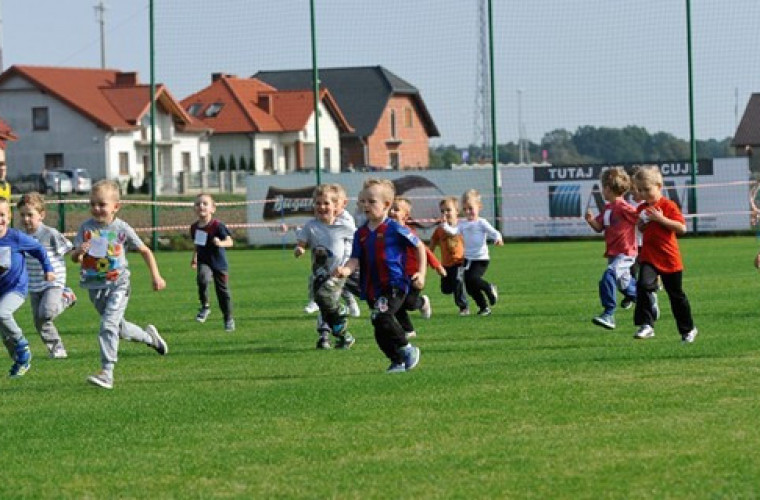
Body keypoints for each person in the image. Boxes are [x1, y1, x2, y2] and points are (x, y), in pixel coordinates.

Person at [71, 180, 168, 390]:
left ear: (116, 206)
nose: (96, 209)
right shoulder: (85, 228)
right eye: (93, 204)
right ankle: (151, 338)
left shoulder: (122, 228)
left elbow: (145, 250)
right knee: (119, 328)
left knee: (108, 326)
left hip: (118, 285)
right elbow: (74, 258)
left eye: (102, 204)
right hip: (94, 287)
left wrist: (156, 276)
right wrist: (79, 252)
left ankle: (107, 372)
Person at [335, 178, 425, 373]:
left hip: (394, 284)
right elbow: (355, 259)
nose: (365, 205)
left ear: (386, 205)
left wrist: (421, 273)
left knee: (382, 317)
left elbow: (419, 246)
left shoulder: (394, 228)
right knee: (378, 326)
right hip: (372, 288)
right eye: (363, 201)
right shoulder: (360, 234)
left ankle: (407, 348)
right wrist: (345, 270)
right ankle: (397, 361)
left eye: (371, 201)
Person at [631, 166, 697, 343]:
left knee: (676, 295)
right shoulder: (642, 208)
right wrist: (641, 224)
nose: (643, 193)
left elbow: (682, 228)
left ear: (659, 186)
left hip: (669, 257)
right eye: (640, 190)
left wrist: (661, 219)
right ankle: (646, 324)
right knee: (643, 285)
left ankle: (688, 329)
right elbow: (642, 229)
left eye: (647, 189)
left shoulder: (668, 205)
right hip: (650, 256)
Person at [294, 184, 356, 350]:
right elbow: (302, 241)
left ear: (336, 206)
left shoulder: (344, 226)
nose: (322, 207)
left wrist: (347, 266)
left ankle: (326, 332)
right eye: (318, 203)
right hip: (318, 274)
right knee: (324, 305)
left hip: (337, 274)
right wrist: (300, 248)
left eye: (326, 203)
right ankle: (343, 336)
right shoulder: (310, 226)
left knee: (323, 298)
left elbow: (359, 240)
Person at [17, 192, 77, 358]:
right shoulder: (19, 237)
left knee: (46, 312)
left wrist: (81, 253)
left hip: (53, 281)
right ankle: (57, 349)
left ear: (41, 215)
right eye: (22, 215)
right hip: (34, 284)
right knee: (39, 321)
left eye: (30, 215)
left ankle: (66, 297)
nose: (26, 219)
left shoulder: (50, 234)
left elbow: (69, 249)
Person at [0, 197, 55, 377]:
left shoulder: (15, 238)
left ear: (8, 217)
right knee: (4, 332)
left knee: (2, 313)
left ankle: (23, 346)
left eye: (2, 215)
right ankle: (21, 361)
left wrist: (48, 268)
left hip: (16, 288)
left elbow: (39, 249)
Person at [584, 167, 638, 330]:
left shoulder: (623, 207)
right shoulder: (608, 208)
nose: (602, 191)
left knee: (608, 276)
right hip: (613, 253)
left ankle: (609, 314)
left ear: (607, 188)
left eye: (603, 187)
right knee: (625, 286)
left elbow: (638, 217)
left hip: (625, 252)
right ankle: (647, 299)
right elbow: (599, 227)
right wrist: (591, 220)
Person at [389, 195, 445, 338]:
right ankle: (408, 330)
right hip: (397, 275)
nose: (392, 212)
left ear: (405, 215)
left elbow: (424, 250)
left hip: (413, 274)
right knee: (395, 304)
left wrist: (437, 265)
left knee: (409, 303)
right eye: (390, 209)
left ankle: (422, 302)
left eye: (396, 210)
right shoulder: (386, 231)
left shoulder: (408, 232)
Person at [441, 189, 503, 316]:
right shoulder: (463, 224)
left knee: (473, 279)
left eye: (471, 208)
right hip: (468, 259)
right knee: (469, 287)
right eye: (465, 209)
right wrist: (445, 225)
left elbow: (494, 232)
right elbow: (454, 232)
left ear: (479, 207)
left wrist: (498, 238)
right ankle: (484, 307)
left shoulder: (482, 222)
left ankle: (489, 287)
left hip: (481, 259)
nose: (468, 212)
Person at [302, 185, 361, 318]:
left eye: (329, 203)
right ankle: (315, 302)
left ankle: (356, 303)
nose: (323, 207)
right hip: (331, 262)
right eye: (318, 203)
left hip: (348, 262)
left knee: (350, 286)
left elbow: (353, 238)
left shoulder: (345, 220)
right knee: (319, 280)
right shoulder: (320, 220)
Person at [190, 193, 235, 331]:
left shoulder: (217, 226)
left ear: (213, 208)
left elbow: (230, 242)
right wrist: (194, 257)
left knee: (223, 293)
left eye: (205, 204)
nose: (201, 206)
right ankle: (205, 307)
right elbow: (198, 244)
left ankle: (228, 318)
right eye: (198, 204)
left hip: (219, 263)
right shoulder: (194, 227)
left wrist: (220, 243)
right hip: (204, 262)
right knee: (202, 279)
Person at [429, 196, 469, 316]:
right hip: (446, 264)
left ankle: (463, 307)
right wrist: (428, 256)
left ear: (456, 211)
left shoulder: (463, 227)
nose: (445, 213)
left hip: (460, 261)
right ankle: (456, 290)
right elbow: (432, 243)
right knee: (446, 289)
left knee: (458, 280)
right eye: (442, 211)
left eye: (448, 210)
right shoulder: (439, 230)